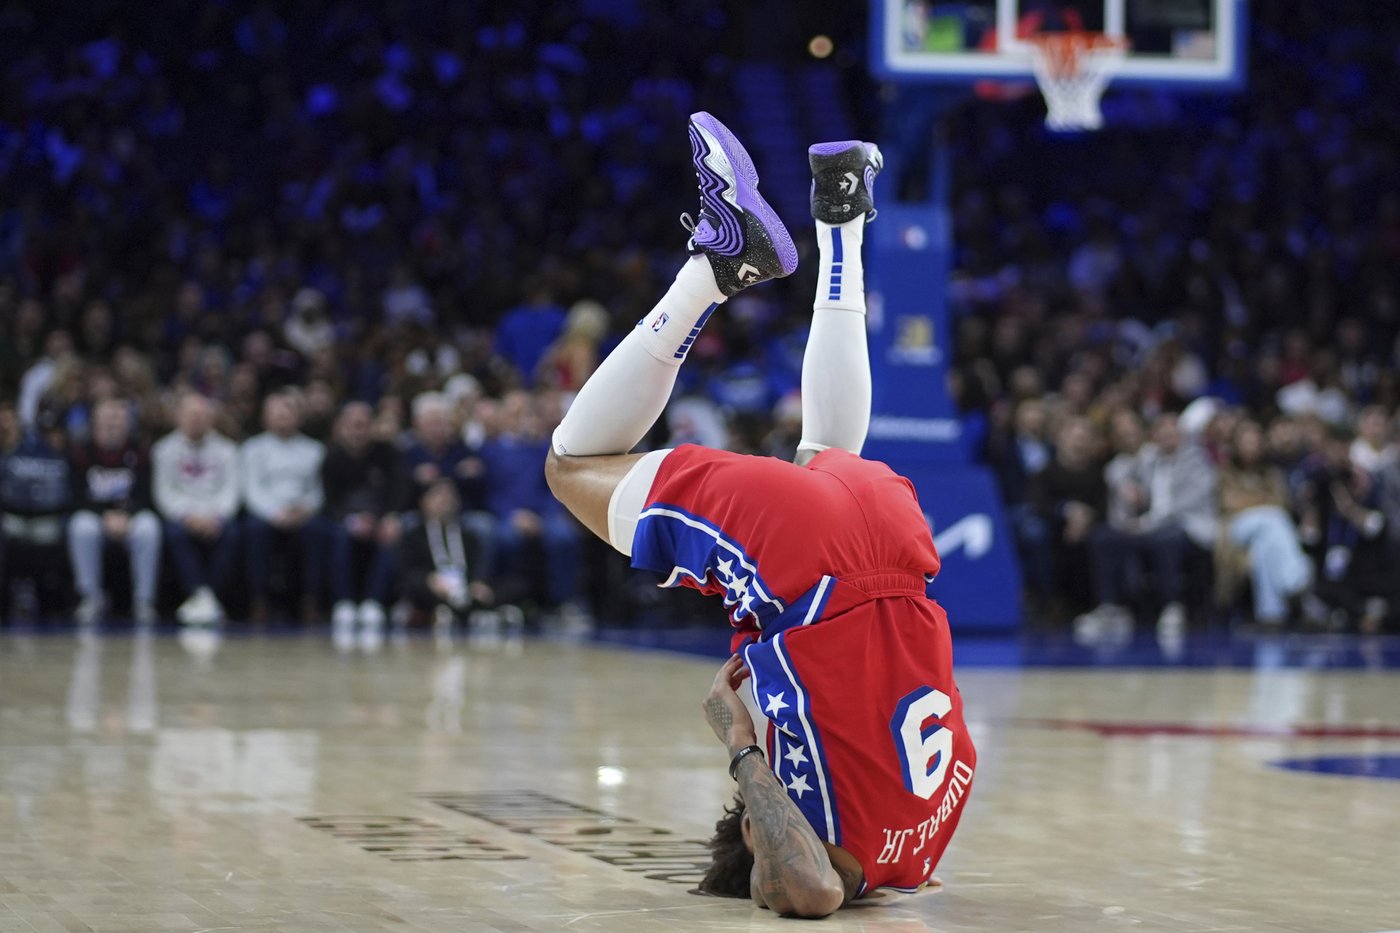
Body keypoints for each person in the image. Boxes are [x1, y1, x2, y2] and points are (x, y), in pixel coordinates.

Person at [545, 114, 975, 915]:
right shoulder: (818, 852)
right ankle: (714, 265)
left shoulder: (913, 859)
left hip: (894, 532)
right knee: (570, 465)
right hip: (808, 566)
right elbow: (808, 890)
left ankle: (840, 218)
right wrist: (742, 749)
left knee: (827, 449)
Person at [67, 398, 162, 625]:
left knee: (149, 528)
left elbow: (147, 496)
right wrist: (104, 515)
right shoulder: (80, 451)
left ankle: (144, 601)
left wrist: (127, 514)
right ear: (95, 421)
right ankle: (89, 597)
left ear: (128, 422)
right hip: (95, 515)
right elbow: (75, 497)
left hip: (130, 516)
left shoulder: (140, 451)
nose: (113, 422)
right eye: (108, 417)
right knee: (82, 527)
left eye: (119, 417)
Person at [152, 392, 241, 625]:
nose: (196, 420)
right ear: (179, 417)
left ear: (211, 419)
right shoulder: (163, 450)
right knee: (174, 533)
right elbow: (165, 493)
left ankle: (206, 598)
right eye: (191, 415)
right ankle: (201, 596)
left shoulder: (227, 449)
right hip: (183, 516)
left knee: (232, 533)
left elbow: (230, 492)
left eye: (202, 416)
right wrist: (188, 516)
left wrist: (217, 516)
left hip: (215, 515)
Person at [239, 391, 327, 622]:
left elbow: (318, 490)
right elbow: (251, 490)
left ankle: (311, 600)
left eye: (288, 413)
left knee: (317, 530)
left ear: (298, 417)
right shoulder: (252, 449)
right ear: (265, 418)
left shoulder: (314, 450)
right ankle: (259, 600)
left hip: (303, 513)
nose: (282, 418)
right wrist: (273, 513)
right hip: (266, 513)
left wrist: (305, 509)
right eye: (276, 413)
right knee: (254, 531)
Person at [1217, 419, 1312, 627]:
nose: (1251, 447)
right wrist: (1261, 501)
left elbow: (1282, 502)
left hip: (1266, 530)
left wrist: (1252, 502)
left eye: (1255, 442)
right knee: (1273, 519)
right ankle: (1296, 578)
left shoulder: (1272, 473)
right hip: (1235, 529)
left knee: (1264, 545)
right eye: (1246, 442)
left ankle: (1270, 614)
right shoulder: (1226, 473)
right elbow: (1229, 503)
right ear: (1236, 444)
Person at [322, 401, 403, 642]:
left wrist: (389, 516)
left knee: (393, 533)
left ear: (372, 427)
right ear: (342, 427)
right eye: (353, 425)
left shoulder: (388, 453)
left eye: (363, 425)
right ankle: (344, 602)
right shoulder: (332, 457)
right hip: (345, 520)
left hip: (380, 516)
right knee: (338, 535)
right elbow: (329, 501)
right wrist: (350, 520)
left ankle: (373, 603)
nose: (358, 431)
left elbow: (399, 490)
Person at [399, 478, 493, 632]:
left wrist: (478, 582)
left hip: (464, 588)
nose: (445, 500)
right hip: (433, 590)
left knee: (514, 584)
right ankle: (469, 613)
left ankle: (460, 612)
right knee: (415, 587)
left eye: (450, 495)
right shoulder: (414, 535)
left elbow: (478, 566)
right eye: (438, 495)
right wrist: (428, 579)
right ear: (424, 502)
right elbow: (406, 570)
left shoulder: (469, 536)